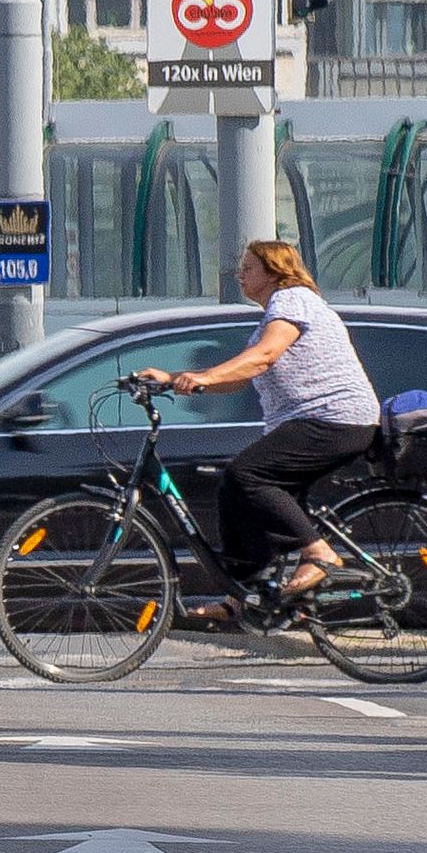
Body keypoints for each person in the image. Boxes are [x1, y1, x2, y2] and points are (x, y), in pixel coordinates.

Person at [167, 237, 384, 598]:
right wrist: (173, 379)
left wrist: (203, 377)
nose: (240, 273)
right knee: (235, 492)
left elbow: (265, 356)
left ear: (275, 271)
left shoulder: (292, 298)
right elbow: (241, 376)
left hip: (335, 418)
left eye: (249, 267)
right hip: (317, 421)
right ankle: (246, 596)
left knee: (247, 474)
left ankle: (319, 553)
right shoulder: (274, 313)